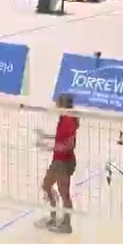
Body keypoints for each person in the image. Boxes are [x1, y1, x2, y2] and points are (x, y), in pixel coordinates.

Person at [36, 93, 78, 234]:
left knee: (64, 193)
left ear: (62, 104)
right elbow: (61, 137)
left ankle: (67, 224)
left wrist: (50, 147)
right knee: (46, 185)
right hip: (57, 160)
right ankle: (53, 217)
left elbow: (69, 143)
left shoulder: (70, 120)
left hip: (64, 162)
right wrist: (45, 136)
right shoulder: (63, 117)